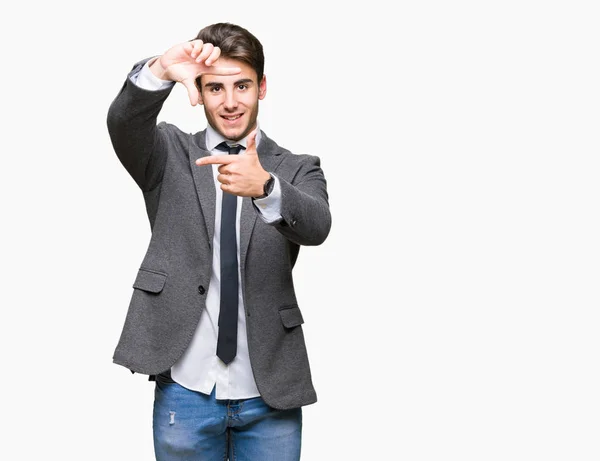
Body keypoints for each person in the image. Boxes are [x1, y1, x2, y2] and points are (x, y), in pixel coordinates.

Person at [106, 22, 332, 460]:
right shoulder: (167, 153)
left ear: (262, 87)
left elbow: (317, 226)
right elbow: (123, 123)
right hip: (186, 391)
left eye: (242, 86)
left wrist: (267, 187)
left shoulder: (297, 168)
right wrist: (158, 70)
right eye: (215, 88)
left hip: (269, 390)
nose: (230, 102)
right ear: (200, 91)